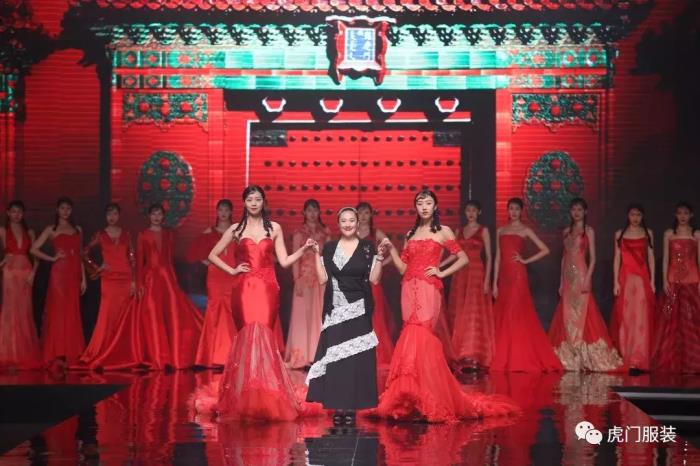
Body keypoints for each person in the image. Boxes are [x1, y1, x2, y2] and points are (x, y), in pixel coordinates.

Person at [372, 190, 519, 422]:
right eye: (420, 203)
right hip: (408, 286)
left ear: (435, 206)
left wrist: (441, 271)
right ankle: (410, 396)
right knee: (409, 334)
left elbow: (463, 258)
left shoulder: (444, 231)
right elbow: (402, 268)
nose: (424, 207)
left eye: (428, 203)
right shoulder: (411, 233)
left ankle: (430, 395)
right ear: (416, 207)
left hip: (429, 287)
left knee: (422, 334)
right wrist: (391, 250)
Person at [204, 185, 317, 420]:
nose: (254, 203)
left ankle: (266, 392)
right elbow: (212, 254)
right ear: (244, 203)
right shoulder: (236, 229)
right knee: (247, 337)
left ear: (263, 202)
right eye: (250, 200)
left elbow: (284, 261)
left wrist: (304, 250)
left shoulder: (274, 227)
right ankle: (244, 393)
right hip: (244, 288)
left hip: (267, 288)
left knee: (264, 336)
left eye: (257, 199)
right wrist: (232, 270)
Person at [86, 203, 203, 370]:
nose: (156, 217)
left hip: (168, 279)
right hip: (151, 278)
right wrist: (138, 282)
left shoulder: (169, 234)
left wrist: (173, 279)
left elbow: (169, 259)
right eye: (153, 214)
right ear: (149, 216)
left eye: (159, 214)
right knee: (153, 316)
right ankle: (158, 356)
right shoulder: (143, 234)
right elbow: (139, 260)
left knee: (173, 315)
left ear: (163, 216)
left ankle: (177, 355)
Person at [306, 207, 385, 425]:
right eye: (344, 221)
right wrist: (316, 255)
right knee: (337, 358)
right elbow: (323, 279)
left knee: (355, 359)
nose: (348, 224)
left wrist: (379, 257)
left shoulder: (367, 247)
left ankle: (351, 405)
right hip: (337, 308)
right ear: (338, 224)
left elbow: (374, 279)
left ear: (358, 223)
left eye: (352, 220)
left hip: (359, 307)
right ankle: (338, 404)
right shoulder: (330, 247)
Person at [548, 198, 622, 371]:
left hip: (581, 275)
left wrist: (588, 278)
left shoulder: (588, 231)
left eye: (579, 209)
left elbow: (593, 258)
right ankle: (570, 356)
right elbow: (564, 257)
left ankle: (584, 355)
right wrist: (561, 282)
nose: (576, 212)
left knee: (582, 314)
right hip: (568, 279)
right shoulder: (566, 232)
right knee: (567, 315)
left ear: (585, 212)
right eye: (573, 209)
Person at [491, 197, 563, 372]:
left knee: (516, 312)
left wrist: (525, 260)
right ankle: (505, 354)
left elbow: (545, 249)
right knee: (504, 313)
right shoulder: (500, 230)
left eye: (517, 209)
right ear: (507, 210)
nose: (514, 212)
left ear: (521, 211)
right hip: (504, 276)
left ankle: (518, 355)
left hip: (518, 275)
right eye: (511, 208)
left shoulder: (525, 230)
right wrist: (494, 283)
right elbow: (498, 258)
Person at [31, 197, 86, 366]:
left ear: (71, 210)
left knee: (72, 311)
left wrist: (84, 278)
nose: (65, 211)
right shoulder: (51, 229)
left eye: (68, 208)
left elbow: (80, 255)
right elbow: (33, 249)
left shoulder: (77, 229)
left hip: (74, 274)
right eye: (62, 208)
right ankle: (57, 352)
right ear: (57, 209)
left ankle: (70, 352)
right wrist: (52, 258)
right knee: (58, 312)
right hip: (59, 275)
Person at [78, 203, 135, 366]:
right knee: (108, 314)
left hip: (125, 278)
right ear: (105, 216)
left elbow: (132, 258)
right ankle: (105, 350)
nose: (112, 217)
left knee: (124, 315)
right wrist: (97, 267)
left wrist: (133, 280)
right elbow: (84, 253)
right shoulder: (101, 235)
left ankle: (123, 352)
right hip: (109, 279)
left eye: (115, 214)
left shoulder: (127, 234)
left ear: (119, 215)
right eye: (109, 214)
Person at [442, 199, 495, 371]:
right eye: (468, 210)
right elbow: (454, 255)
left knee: (473, 312)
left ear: (479, 212)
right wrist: (440, 265)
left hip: (476, 274)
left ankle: (473, 354)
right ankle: (460, 353)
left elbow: (489, 257)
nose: (470, 213)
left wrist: (487, 280)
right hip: (460, 274)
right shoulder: (459, 231)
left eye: (474, 210)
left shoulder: (483, 230)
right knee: (459, 311)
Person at [189, 199, 238, 368]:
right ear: (217, 212)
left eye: (226, 210)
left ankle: (231, 354)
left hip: (231, 275)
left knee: (231, 311)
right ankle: (210, 355)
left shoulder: (236, 231)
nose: (223, 213)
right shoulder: (209, 232)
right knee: (214, 310)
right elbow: (194, 253)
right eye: (220, 210)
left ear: (231, 212)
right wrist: (209, 263)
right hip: (215, 276)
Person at [652, 202, 700, 373]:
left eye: (686, 213)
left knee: (691, 320)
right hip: (673, 280)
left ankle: (693, 361)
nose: (682, 216)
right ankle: (671, 361)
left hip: (691, 280)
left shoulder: (696, 234)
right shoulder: (669, 234)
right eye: (679, 213)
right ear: (675, 215)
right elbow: (666, 258)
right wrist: (665, 280)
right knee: (670, 320)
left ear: (691, 215)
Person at [285, 199, 330, 369]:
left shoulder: (325, 232)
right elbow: (295, 258)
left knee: (318, 316)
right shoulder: (299, 232)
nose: (312, 213)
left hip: (320, 279)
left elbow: (328, 257)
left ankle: (316, 355)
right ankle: (301, 355)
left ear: (319, 212)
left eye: (315, 210)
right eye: (309, 210)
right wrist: (296, 279)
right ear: (304, 212)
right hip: (303, 279)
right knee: (301, 317)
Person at [610, 203, 655, 374]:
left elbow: (651, 257)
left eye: (638, 215)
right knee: (627, 317)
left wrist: (652, 281)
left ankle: (640, 357)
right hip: (626, 279)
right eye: (632, 214)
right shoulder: (619, 234)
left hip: (642, 279)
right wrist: (616, 282)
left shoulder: (647, 233)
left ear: (642, 216)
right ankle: (627, 356)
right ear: (627, 215)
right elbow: (617, 259)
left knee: (641, 318)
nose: (635, 218)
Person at [0, 200, 41, 369]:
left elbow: (36, 257)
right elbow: (5, 253)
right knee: (10, 311)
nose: (17, 214)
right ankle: (8, 354)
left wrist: (33, 273)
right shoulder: (3, 230)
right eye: (14, 211)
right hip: (10, 272)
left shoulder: (29, 232)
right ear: (8, 213)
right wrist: (2, 262)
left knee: (25, 311)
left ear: (23, 214)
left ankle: (24, 353)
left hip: (25, 272)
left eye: (20, 212)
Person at [356, 201, 395, 367]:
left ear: (371, 215)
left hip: (372, 280)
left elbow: (393, 253)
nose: (363, 216)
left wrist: (379, 263)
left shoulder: (376, 233)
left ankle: (376, 353)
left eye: (366, 212)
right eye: (360, 212)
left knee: (375, 315)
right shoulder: (351, 232)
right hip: (355, 281)